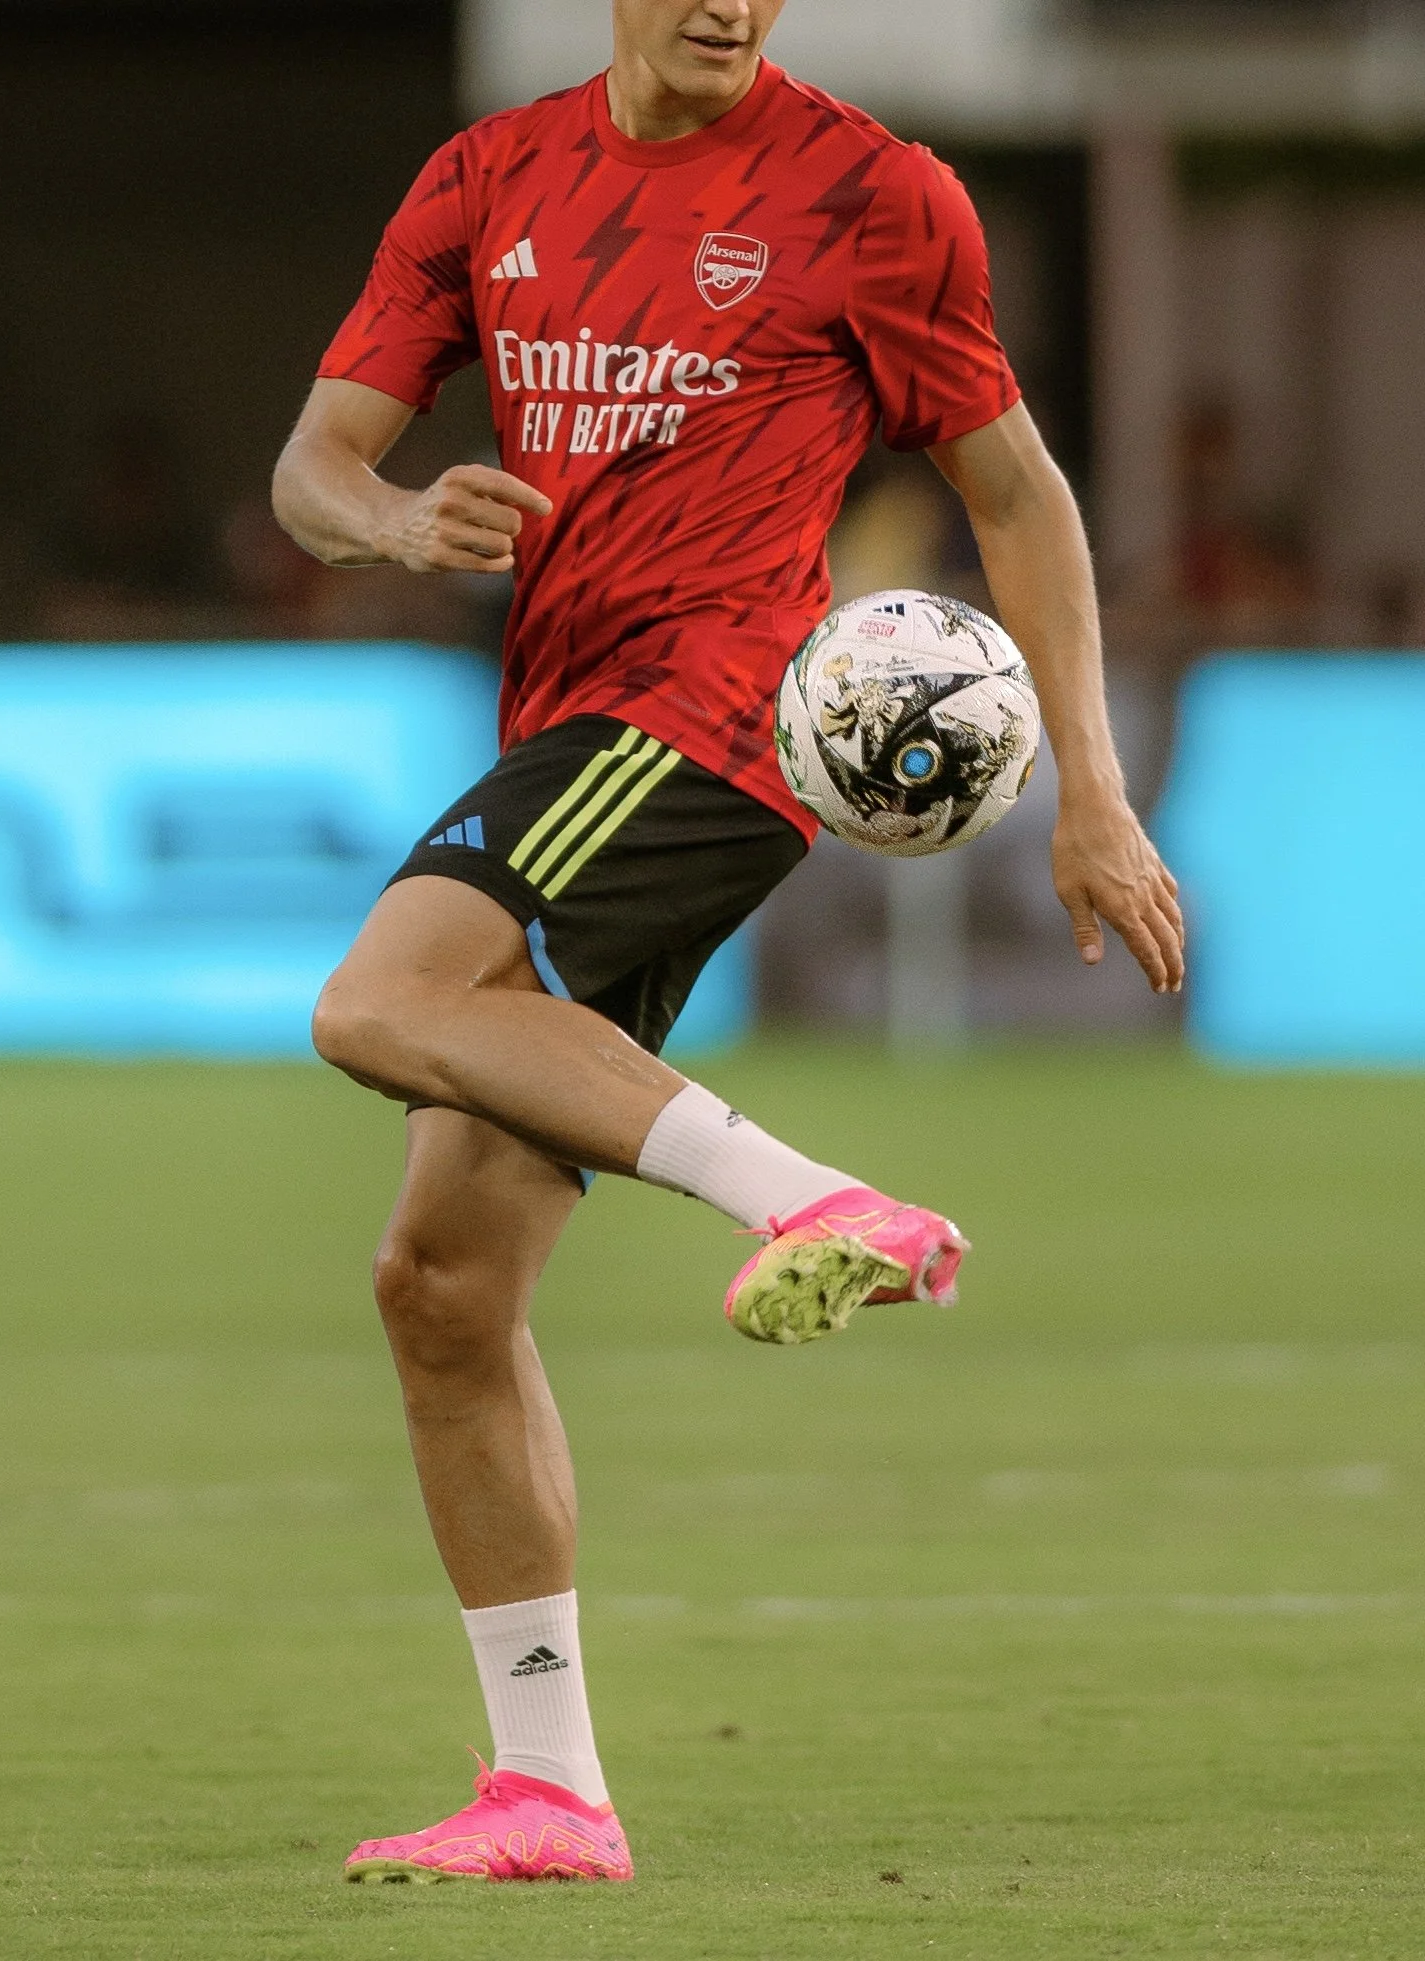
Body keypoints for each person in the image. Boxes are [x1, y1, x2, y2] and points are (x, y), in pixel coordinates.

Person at [271, 0, 1184, 1887]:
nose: (729, 4)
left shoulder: (870, 192)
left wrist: (1091, 791)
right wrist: (393, 522)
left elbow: (1015, 488)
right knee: (441, 1283)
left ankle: (815, 1200)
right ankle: (550, 1793)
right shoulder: (488, 180)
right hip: (566, 727)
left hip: (715, 717)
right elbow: (316, 465)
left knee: (379, 1000)